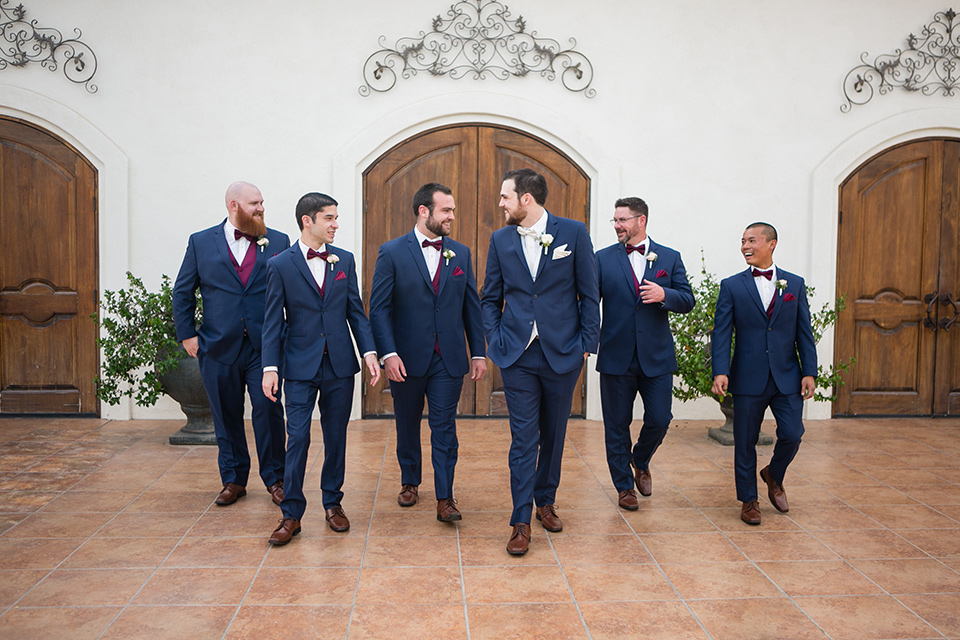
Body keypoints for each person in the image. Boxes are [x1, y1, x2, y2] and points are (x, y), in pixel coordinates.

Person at [481, 168, 600, 555]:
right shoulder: (500, 240)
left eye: (505, 197)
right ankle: (520, 519)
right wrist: (496, 337)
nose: (500, 203)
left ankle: (545, 501)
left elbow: (590, 293)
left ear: (526, 199)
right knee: (523, 438)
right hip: (517, 354)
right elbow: (489, 297)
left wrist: (586, 344)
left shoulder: (574, 233)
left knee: (554, 433)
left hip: (564, 352)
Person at [260, 192, 380, 545]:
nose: (335, 224)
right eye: (329, 218)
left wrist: (369, 351)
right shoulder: (280, 265)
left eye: (336, 217)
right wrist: (270, 368)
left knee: (336, 437)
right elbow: (271, 322)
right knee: (297, 437)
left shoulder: (344, 260)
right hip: (298, 366)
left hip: (340, 364)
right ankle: (291, 515)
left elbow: (355, 312)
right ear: (307, 221)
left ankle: (333, 503)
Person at [369, 183, 487, 522]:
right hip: (405, 358)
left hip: (447, 358)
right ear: (425, 211)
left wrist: (477, 351)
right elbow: (379, 309)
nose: (452, 216)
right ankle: (409, 481)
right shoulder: (391, 252)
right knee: (407, 424)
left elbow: (471, 307)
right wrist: (388, 354)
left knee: (444, 427)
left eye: (452, 209)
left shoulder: (460, 253)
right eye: (446, 210)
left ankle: (445, 497)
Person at [172, 181, 288, 509]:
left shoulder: (278, 241)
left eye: (262, 202)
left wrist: (288, 336)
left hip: (264, 348)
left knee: (268, 411)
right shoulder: (200, 242)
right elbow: (182, 290)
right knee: (225, 414)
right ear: (234, 206)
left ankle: (276, 479)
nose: (261, 208)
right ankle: (234, 479)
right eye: (255, 203)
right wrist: (187, 334)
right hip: (218, 346)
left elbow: (291, 291)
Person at [710, 222, 817, 525]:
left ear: (771, 244)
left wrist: (809, 371)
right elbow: (722, 333)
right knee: (745, 441)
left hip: (786, 375)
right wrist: (720, 370)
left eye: (752, 240)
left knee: (793, 434)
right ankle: (749, 500)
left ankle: (774, 474)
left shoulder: (794, 284)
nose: (745, 246)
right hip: (747, 376)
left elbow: (803, 332)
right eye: (742, 240)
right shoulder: (731, 286)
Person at [595, 197, 695, 511]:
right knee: (616, 424)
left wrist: (665, 294)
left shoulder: (669, 257)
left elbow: (688, 299)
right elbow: (586, 303)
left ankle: (641, 459)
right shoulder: (601, 259)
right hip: (615, 355)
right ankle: (624, 487)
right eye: (614, 220)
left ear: (641, 220)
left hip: (657, 356)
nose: (617, 226)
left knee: (661, 418)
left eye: (622, 220)